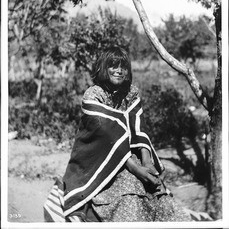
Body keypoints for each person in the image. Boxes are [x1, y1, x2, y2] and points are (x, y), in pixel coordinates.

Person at [44, 46, 191, 222]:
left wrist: (146, 161)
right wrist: (136, 169)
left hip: (128, 154)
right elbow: (106, 136)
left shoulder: (131, 92)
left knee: (158, 195)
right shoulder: (93, 94)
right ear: (102, 68)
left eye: (123, 66)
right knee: (128, 193)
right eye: (113, 65)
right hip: (97, 158)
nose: (119, 70)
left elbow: (139, 126)